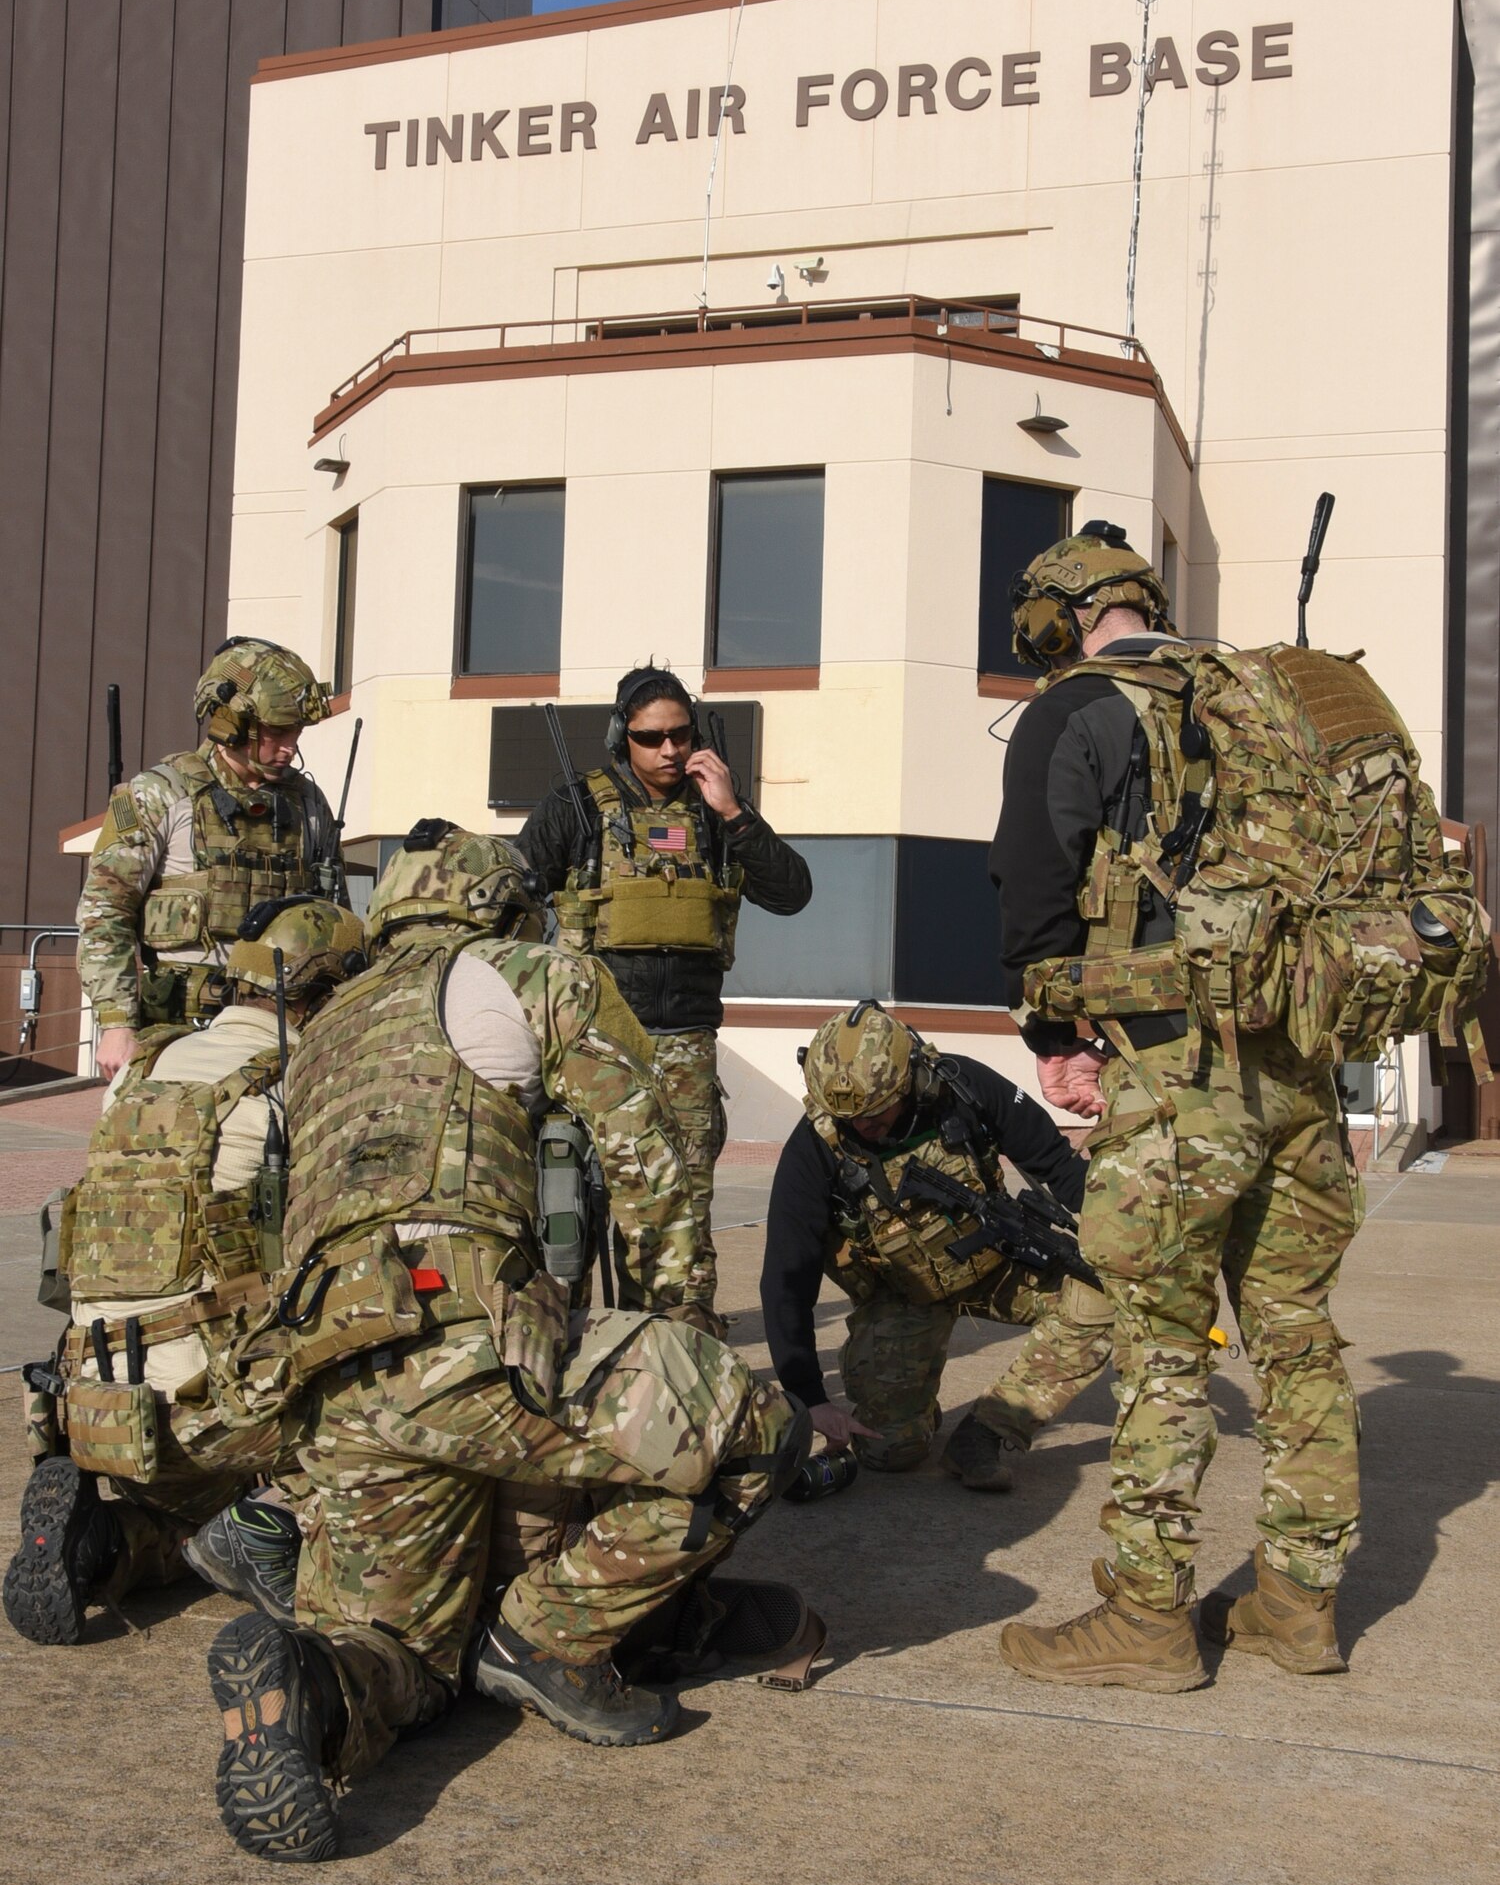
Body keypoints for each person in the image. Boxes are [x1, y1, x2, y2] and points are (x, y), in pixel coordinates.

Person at [206, 823, 808, 1863]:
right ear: (499, 906)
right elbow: (648, 1151)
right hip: (465, 1339)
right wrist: (684, 1324)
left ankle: (314, 1685)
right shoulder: (528, 971)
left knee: (405, 1655)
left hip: (333, 1377)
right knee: (752, 1427)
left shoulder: (326, 1025)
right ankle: (547, 1636)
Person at [989, 521, 1365, 1692]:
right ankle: (1299, 1606)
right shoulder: (1264, 702)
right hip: (1299, 1065)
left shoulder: (1076, 707)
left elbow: (1034, 889)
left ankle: (1148, 1619)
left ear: (1057, 617)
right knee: (1297, 1335)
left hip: (1173, 1067)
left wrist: (1058, 1041)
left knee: (1160, 1345)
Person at [4, 897, 367, 1647]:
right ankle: (277, 1517)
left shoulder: (143, 1071)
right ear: (326, 991)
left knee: (186, 1523)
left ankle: (100, 1543)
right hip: (220, 1413)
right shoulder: (300, 1080)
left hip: (93, 1393)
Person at [519, 666, 812, 1326]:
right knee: (572, 1211)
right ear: (623, 738)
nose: (671, 750)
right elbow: (511, 895)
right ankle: (568, 1354)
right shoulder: (575, 808)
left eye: (681, 734)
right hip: (590, 1047)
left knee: (676, 1223)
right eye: (653, 738)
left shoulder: (715, 815)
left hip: (685, 1050)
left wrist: (734, 813)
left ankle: (674, 1366)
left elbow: (792, 892)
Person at [761, 1000, 1116, 1488]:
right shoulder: (814, 1145)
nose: (861, 1128)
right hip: (901, 1294)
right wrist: (809, 1398)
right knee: (889, 1451)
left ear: (912, 1080)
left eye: (874, 1113)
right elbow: (786, 1277)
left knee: (1104, 1301)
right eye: (848, 1118)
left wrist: (1131, 1233)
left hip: (996, 1264)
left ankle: (987, 1431)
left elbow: (1060, 1169)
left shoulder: (965, 1087)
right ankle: (912, 1414)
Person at [77, 637, 342, 1082]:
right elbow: (105, 912)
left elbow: (337, 920)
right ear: (229, 723)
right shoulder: (161, 793)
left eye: (296, 732)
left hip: (281, 1032)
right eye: (277, 732)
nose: (290, 747)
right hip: (180, 1032)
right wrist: (117, 1022)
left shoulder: (308, 803)